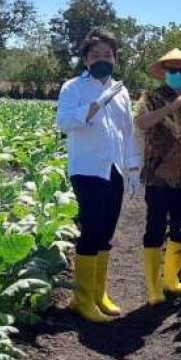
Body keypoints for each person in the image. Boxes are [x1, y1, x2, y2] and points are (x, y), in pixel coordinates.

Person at [56, 28, 141, 323]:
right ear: (85, 59)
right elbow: (64, 123)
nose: (102, 59)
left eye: (108, 55)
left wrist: (132, 168)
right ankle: (81, 300)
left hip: (114, 169)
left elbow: (128, 131)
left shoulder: (122, 91)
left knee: (107, 232)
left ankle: (98, 294)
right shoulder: (72, 88)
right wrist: (92, 107)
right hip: (87, 169)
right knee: (91, 231)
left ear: (115, 58)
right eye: (95, 55)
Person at [134, 48, 181, 305]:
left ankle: (171, 280)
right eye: (173, 70)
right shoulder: (150, 98)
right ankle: (154, 287)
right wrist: (171, 107)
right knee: (155, 227)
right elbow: (142, 123)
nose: (178, 75)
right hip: (158, 175)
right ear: (164, 73)